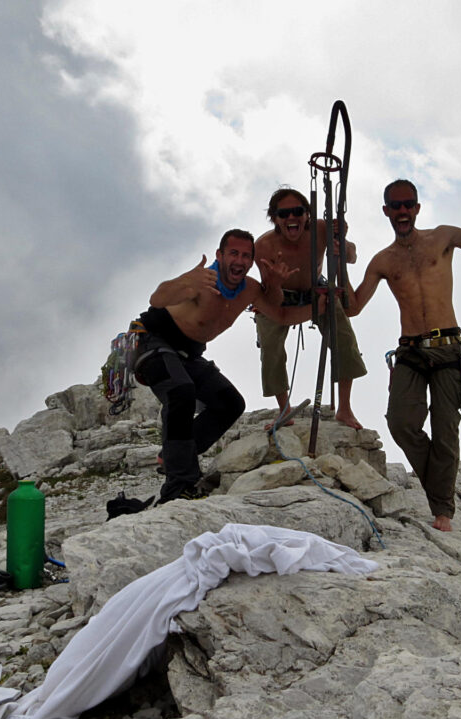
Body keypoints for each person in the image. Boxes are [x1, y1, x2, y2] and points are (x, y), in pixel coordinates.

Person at [347, 178, 461, 531]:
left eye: (408, 204)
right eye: (396, 205)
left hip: (448, 346)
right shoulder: (383, 260)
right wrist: (336, 261)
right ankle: (439, 491)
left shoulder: (442, 238)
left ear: (417, 208)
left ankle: (442, 512)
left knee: (446, 429)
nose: (403, 211)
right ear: (386, 211)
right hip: (411, 351)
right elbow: (354, 306)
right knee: (401, 423)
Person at [131, 229, 302, 504]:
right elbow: (157, 299)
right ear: (219, 255)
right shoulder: (202, 281)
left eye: (247, 255)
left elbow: (278, 312)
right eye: (234, 253)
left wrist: (315, 303)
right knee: (180, 392)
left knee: (230, 403)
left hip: (188, 354)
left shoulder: (249, 288)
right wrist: (185, 280)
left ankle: (174, 456)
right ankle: (178, 486)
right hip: (152, 343)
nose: (240, 260)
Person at [253, 187, 367, 429]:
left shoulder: (321, 230)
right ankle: (284, 409)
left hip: (316, 291)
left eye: (298, 211)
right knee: (270, 346)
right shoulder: (264, 247)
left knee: (344, 339)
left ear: (307, 214)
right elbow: (272, 298)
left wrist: (341, 243)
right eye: (284, 214)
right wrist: (275, 282)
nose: (291, 218)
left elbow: (352, 255)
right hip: (280, 296)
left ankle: (345, 409)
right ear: (274, 218)